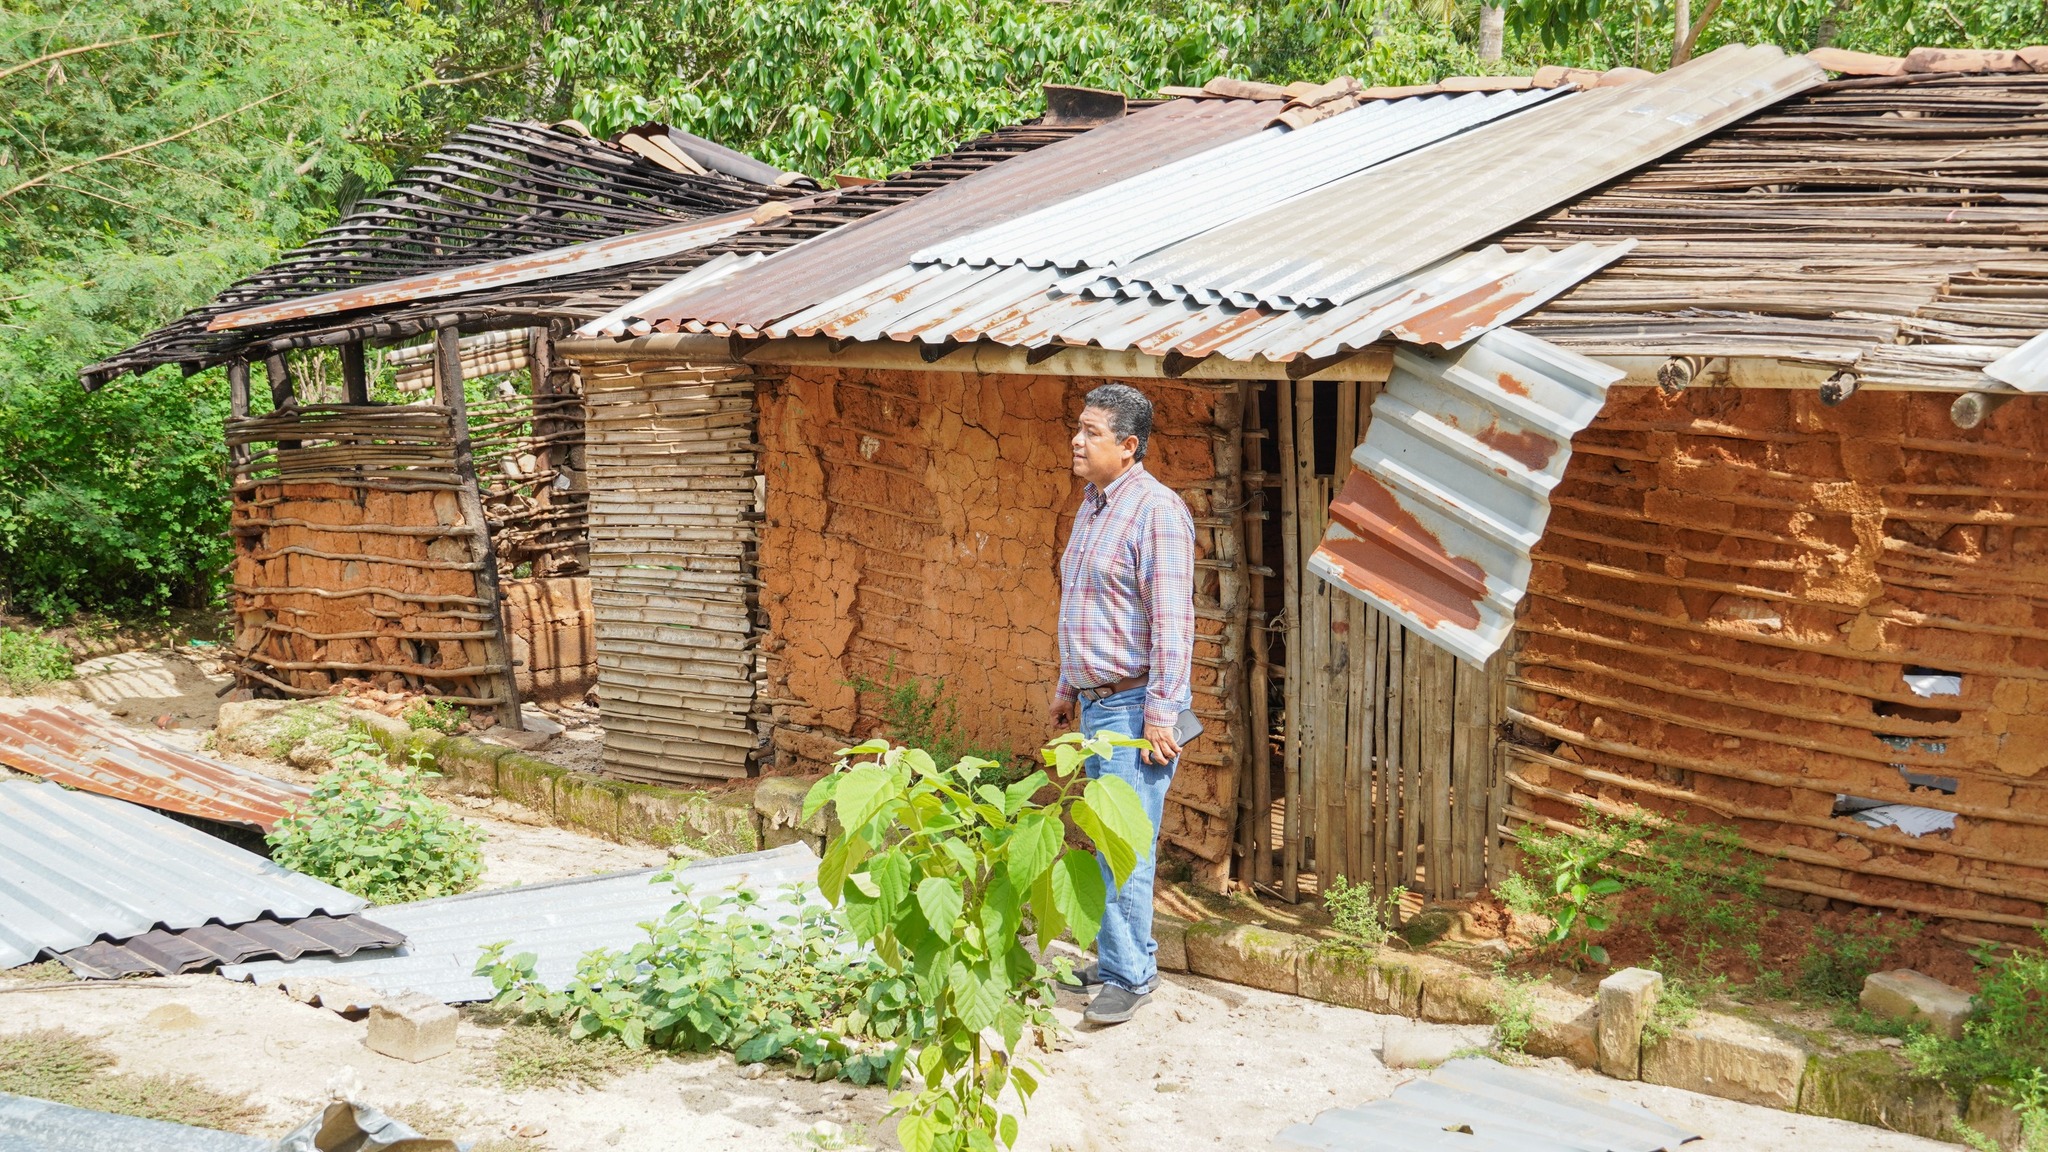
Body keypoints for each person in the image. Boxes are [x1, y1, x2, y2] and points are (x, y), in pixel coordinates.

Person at [1048, 382, 1195, 1026]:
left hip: (1136, 709)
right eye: (1076, 429)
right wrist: (1065, 687)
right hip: (1096, 703)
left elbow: (1172, 621)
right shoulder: (1092, 506)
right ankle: (1120, 955)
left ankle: (1130, 976)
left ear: (1129, 446)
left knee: (1123, 843)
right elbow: (1083, 603)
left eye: (1092, 433)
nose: (1077, 441)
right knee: (1108, 833)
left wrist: (1162, 710)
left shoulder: (1156, 512)